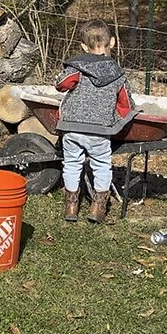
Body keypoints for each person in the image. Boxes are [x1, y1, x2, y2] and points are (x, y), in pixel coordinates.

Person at [54, 19, 137, 223]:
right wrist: (118, 119)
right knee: (101, 164)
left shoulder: (77, 68)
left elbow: (60, 85)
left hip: (72, 127)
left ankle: (71, 207)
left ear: (83, 46)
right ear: (113, 42)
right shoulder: (117, 74)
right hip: (100, 131)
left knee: (72, 163)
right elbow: (127, 104)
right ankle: (98, 208)